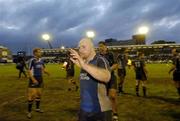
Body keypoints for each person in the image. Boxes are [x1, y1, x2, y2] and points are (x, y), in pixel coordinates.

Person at [69, 38, 112, 121]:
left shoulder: (100, 60)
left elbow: (106, 77)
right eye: (79, 48)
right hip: (84, 111)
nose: (80, 50)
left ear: (92, 48)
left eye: (83, 47)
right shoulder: (84, 63)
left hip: (100, 111)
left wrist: (83, 65)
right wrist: (83, 65)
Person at [98, 41, 119, 121]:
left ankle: (115, 114)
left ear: (105, 47)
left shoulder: (111, 54)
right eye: (99, 46)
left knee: (112, 96)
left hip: (111, 77)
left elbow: (116, 65)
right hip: (101, 79)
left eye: (101, 46)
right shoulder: (97, 56)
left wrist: (108, 70)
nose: (100, 48)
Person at [27, 48, 49, 119]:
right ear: (35, 53)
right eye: (39, 52)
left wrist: (46, 72)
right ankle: (29, 112)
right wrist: (33, 79)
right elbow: (29, 71)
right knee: (32, 95)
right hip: (33, 79)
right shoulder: (32, 60)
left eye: (40, 52)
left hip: (40, 79)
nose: (41, 53)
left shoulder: (41, 60)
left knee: (39, 94)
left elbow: (43, 68)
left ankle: (37, 108)